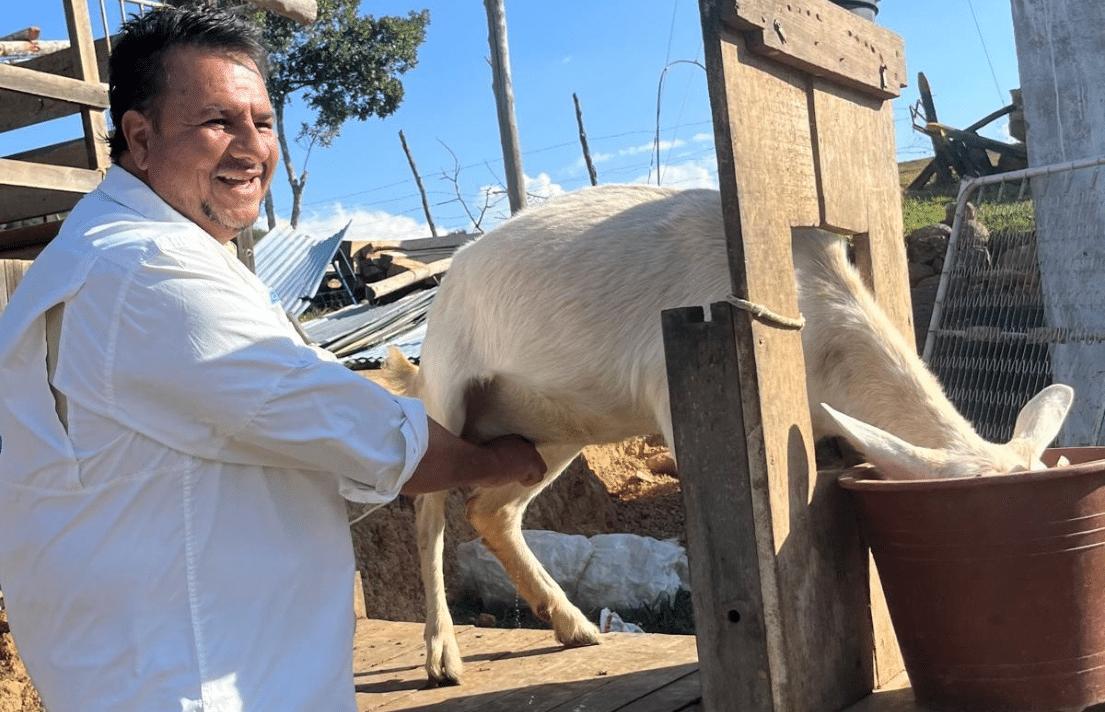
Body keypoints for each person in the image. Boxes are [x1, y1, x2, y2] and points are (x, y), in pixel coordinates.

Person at [0, 5, 545, 711]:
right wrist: (500, 461)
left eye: (262, 121)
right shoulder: (146, 274)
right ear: (139, 137)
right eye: (218, 122)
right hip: (197, 681)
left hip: (193, 664)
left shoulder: (120, 252)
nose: (252, 148)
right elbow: (377, 440)